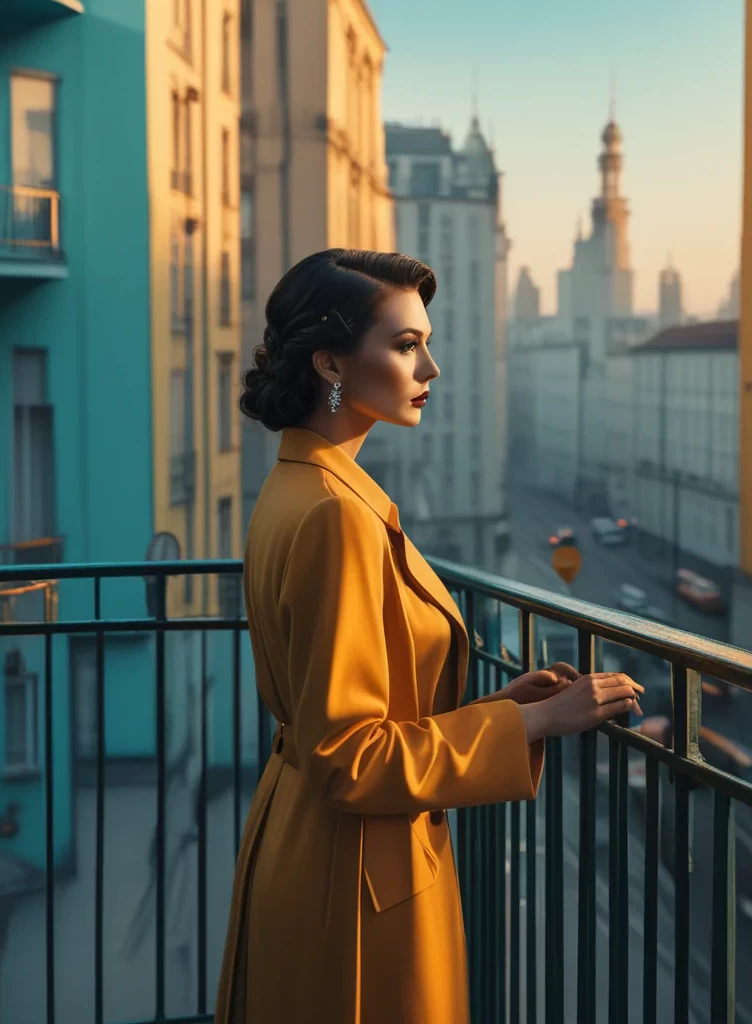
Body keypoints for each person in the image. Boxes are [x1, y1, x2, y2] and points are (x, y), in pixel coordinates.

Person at [214, 248, 643, 1024]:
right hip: (353, 881)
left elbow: (341, 714)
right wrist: (534, 722)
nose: (432, 368)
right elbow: (349, 755)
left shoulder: (299, 484)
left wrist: (500, 706)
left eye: (427, 343)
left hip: (312, 847)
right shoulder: (336, 515)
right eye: (407, 345)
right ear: (332, 363)